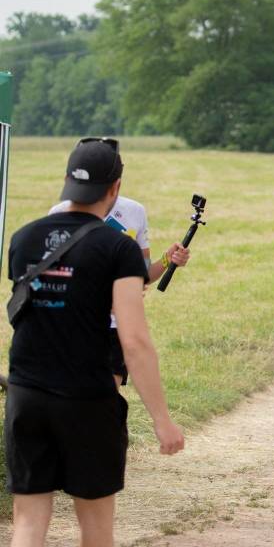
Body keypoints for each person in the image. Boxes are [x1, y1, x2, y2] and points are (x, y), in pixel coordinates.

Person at [5, 138, 185, 547]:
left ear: (67, 179)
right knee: (95, 524)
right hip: (86, 397)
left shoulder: (24, 238)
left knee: (29, 521)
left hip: (25, 394)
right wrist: (162, 420)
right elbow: (134, 339)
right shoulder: (116, 247)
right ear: (115, 187)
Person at [49, 163, 190, 387]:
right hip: (73, 321)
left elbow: (141, 275)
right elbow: (54, 278)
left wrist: (167, 260)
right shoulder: (59, 212)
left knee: (106, 402)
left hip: (115, 327)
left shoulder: (134, 211)